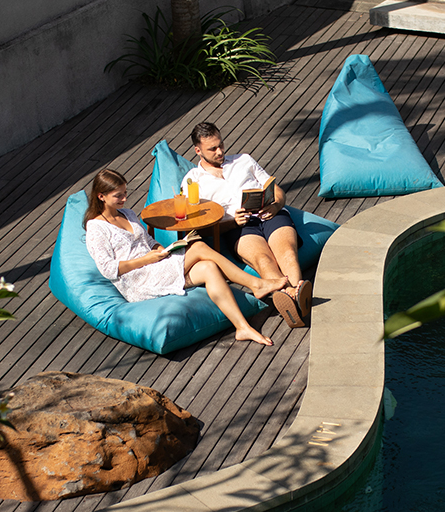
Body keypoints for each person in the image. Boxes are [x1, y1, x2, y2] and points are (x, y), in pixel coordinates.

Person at [84, 169, 286, 346]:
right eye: (118, 195)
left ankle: (242, 327)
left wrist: (162, 249)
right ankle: (257, 285)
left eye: (125, 193)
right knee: (198, 247)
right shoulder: (96, 228)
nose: (124, 199)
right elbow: (108, 269)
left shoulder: (127, 214)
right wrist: (146, 260)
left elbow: (148, 240)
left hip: (155, 265)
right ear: (101, 196)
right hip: (137, 280)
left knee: (208, 267)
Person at [181, 122, 311, 329]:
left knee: (287, 252)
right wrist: (232, 221)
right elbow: (199, 228)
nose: (220, 151)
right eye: (212, 149)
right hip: (238, 226)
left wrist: (276, 205)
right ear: (198, 151)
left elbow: (276, 189)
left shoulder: (243, 160)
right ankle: (295, 297)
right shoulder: (193, 182)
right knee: (263, 260)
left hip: (270, 213)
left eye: (221, 145)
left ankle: (291, 298)